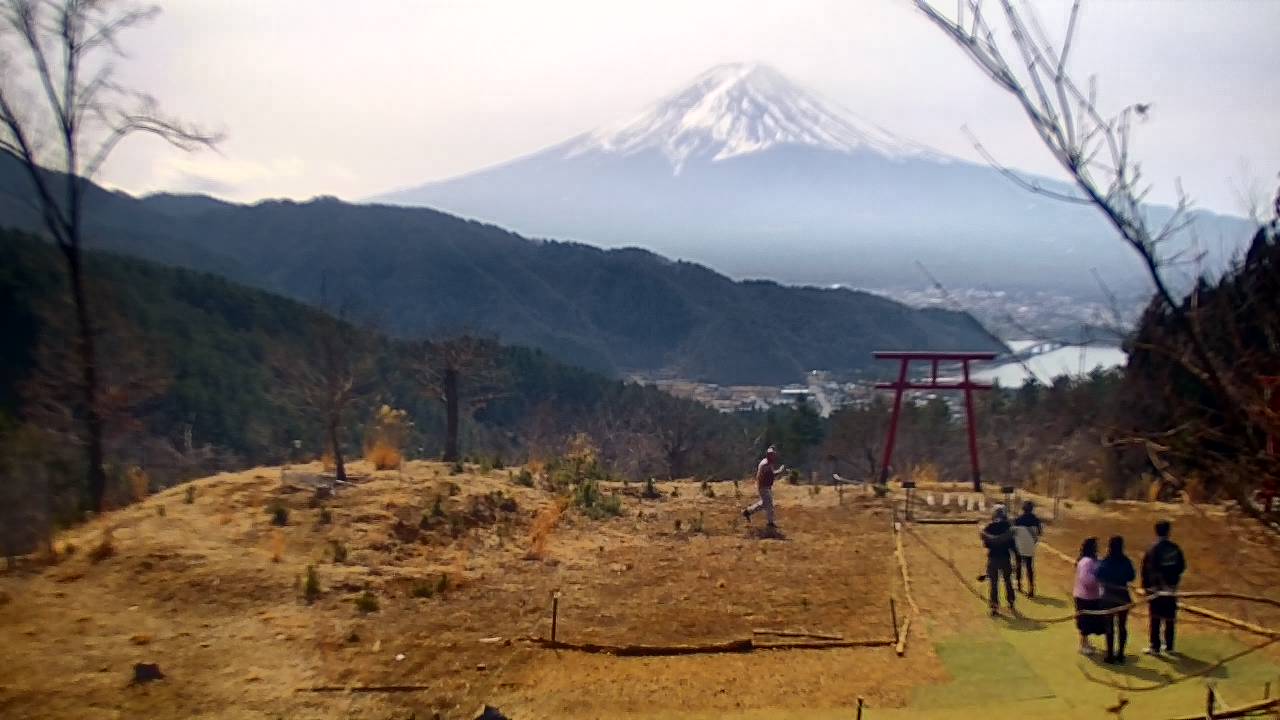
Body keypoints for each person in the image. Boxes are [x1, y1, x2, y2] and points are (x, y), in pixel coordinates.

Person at [1141, 519, 1186, 656]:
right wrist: (1173, 581)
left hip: (1157, 590)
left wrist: (1146, 588)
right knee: (1170, 618)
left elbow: (1147, 570)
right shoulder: (1175, 548)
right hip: (1171, 590)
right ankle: (1169, 646)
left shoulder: (1152, 549)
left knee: (1155, 618)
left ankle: (1155, 647)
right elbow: (1182, 566)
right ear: (1168, 531)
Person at [1096, 535, 1137, 664]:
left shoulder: (1106, 561)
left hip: (1108, 596)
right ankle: (1120, 654)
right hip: (1122, 596)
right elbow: (1131, 577)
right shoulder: (1126, 561)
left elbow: (1098, 576)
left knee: (1109, 626)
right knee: (1122, 626)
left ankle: (1110, 655)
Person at [980, 505, 1016, 616]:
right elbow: (1012, 546)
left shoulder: (989, 527)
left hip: (993, 558)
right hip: (1005, 558)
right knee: (1008, 581)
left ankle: (994, 606)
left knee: (994, 583)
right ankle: (1011, 601)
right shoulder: (1008, 527)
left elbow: (986, 544)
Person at [1074, 537, 1105, 655]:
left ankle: (1086, 642)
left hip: (1093, 596)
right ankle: (1083, 644)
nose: (1097, 548)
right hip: (1084, 596)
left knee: (1090, 621)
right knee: (1085, 622)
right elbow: (1086, 579)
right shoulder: (1086, 562)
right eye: (1095, 546)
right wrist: (1099, 579)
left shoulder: (1094, 560)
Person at [742, 446, 784, 530]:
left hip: (765, 486)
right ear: (769, 455)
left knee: (764, 504)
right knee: (769, 506)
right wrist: (780, 470)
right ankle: (770, 523)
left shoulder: (767, 462)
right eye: (772, 455)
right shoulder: (766, 464)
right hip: (763, 487)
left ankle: (747, 512)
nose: (774, 456)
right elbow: (772, 475)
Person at [1012, 500, 1043, 597]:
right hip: (1030, 546)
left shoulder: (1018, 519)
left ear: (1023, 509)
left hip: (1019, 545)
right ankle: (1031, 589)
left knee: (1018, 565)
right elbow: (1039, 532)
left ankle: (1019, 585)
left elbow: (1014, 532)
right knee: (1029, 567)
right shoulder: (1036, 520)